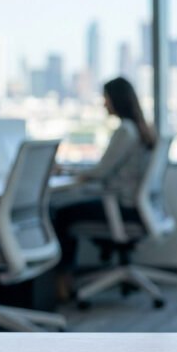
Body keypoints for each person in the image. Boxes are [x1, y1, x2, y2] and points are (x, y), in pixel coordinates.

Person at [52, 77, 156, 293]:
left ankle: (63, 282)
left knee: (61, 215)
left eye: (106, 98)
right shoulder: (141, 130)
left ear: (116, 99)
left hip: (122, 208)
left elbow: (100, 172)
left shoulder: (125, 131)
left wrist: (66, 171)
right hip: (139, 208)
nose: (104, 104)